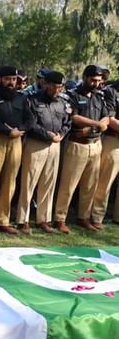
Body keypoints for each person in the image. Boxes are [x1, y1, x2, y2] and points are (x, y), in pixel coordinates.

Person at [0, 66, 35, 236]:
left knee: (10, 181)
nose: (11, 82)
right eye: (7, 79)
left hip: (16, 141)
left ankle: (2, 220)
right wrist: (7, 131)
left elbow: (30, 118)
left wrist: (20, 130)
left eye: (13, 79)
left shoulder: (21, 97)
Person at [53, 65, 110, 233]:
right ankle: (60, 218)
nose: (96, 84)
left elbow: (107, 117)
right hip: (77, 145)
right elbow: (74, 117)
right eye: (93, 80)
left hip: (95, 144)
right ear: (84, 77)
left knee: (90, 184)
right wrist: (96, 124)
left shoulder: (99, 96)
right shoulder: (72, 95)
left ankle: (83, 217)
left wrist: (95, 127)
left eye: (98, 81)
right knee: (69, 184)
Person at [15, 70, 71, 234]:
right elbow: (31, 123)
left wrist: (61, 134)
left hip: (55, 145)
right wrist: (48, 135)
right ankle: (23, 220)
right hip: (36, 144)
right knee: (29, 182)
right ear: (45, 84)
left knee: (49, 182)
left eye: (60, 87)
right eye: (53, 86)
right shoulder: (32, 99)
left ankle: (43, 219)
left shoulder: (63, 102)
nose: (56, 90)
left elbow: (67, 121)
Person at [90, 73, 119, 228]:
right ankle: (97, 215)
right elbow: (110, 118)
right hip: (113, 139)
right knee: (105, 180)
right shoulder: (111, 91)